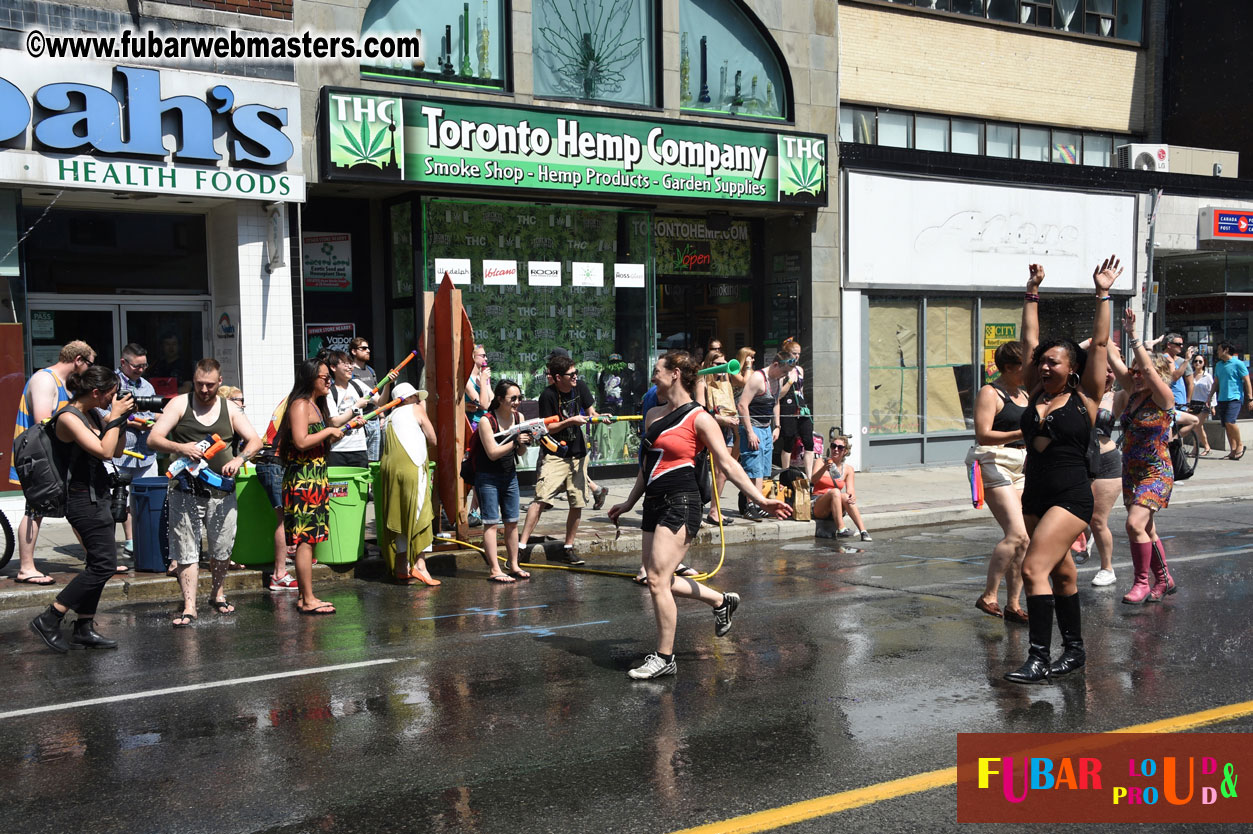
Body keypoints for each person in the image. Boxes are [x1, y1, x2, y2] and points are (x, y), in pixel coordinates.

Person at [609, 351, 791, 680]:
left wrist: (760, 499)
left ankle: (664, 658)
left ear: (675, 374)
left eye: (657, 371)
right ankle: (721, 601)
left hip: (682, 501)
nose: (653, 377)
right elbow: (645, 468)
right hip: (653, 501)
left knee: (656, 581)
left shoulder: (700, 418)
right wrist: (628, 503)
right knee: (656, 579)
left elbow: (727, 464)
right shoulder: (651, 415)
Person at [1003, 257, 1118, 685]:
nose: (1046, 366)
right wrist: (1031, 290)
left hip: (1071, 495)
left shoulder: (1086, 396)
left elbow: (1102, 344)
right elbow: (1028, 338)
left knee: (1033, 570)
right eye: (1043, 362)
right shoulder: (1034, 391)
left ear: (1073, 368)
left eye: (1056, 362)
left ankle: (1037, 656)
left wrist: (1102, 294)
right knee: (1061, 572)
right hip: (1035, 494)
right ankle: (1074, 651)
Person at [148, 359, 262, 626]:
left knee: (222, 548)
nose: (204, 390)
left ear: (219, 382)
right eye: (200, 384)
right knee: (186, 549)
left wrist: (239, 459)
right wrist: (181, 448)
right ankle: (189, 606)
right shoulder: (179, 404)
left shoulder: (230, 408)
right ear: (194, 380)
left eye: (210, 385)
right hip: (184, 490)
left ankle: (217, 593)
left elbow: (255, 440)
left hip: (221, 492)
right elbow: (154, 438)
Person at [27, 365, 129, 652]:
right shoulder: (68, 417)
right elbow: (104, 451)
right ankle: (50, 617)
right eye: (111, 394)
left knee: (97, 562)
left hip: (100, 495)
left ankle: (84, 626)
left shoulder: (94, 413)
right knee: (104, 564)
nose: (113, 398)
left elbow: (117, 450)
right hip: (81, 499)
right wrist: (116, 417)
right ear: (96, 392)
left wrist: (118, 422)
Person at [9, 340, 95, 586]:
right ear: (78, 360)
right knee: (35, 509)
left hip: (55, 456)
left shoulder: (65, 385)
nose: (89, 370)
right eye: (89, 364)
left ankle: (96, 558)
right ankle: (26, 568)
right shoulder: (45, 380)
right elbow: (43, 420)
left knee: (75, 506)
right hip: (37, 455)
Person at [274, 359, 354, 612]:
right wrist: (328, 432)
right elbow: (300, 441)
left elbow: (318, 438)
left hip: (316, 477)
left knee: (312, 538)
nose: (328, 381)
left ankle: (305, 596)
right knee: (305, 540)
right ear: (310, 379)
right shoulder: (299, 405)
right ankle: (307, 599)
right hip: (303, 479)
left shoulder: (315, 405)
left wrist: (338, 430)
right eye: (324, 378)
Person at [1114, 309, 1179, 605]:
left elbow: (1150, 371)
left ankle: (1141, 582)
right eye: (1134, 371)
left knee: (1134, 525)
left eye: (1140, 371)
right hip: (1132, 471)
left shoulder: (1163, 398)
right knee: (1147, 528)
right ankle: (1164, 579)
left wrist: (1134, 337)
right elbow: (1115, 365)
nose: (1135, 374)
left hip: (1156, 471)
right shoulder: (1133, 394)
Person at [966, 341, 1029, 621]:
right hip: (993, 461)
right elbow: (983, 434)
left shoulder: (1025, 393)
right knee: (1016, 534)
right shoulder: (990, 392)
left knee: (1025, 540)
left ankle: (1013, 605)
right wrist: (1020, 431)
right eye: (1024, 363)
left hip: (1021, 463)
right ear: (1009, 367)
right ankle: (988, 595)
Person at [518, 354, 592, 564]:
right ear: (558, 377)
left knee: (577, 502)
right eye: (571, 374)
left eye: (576, 372)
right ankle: (522, 547)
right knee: (540, 498)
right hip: (556, 454)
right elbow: (547, 427)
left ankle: (568, 547)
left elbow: (591, 411)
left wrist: (599, 418)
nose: (575, 377)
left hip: (578, 454)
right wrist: (570, 422)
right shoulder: (548, 395)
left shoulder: (581, 387)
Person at [378, 383, 439, 585]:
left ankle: (401, 566)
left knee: (400, 514)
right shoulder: (416, 409)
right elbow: (433, 438)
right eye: (415, 396)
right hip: (411, 467)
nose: (419, 399)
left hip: (389, 470)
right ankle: (420, 565)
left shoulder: (388, 417)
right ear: (409, 398)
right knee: (420, 512)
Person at [473, 380, 533, 583]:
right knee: (490, 523)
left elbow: (522, 452)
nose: (517, 402)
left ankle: (514, 564)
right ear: (499, 399)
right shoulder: (486, 421)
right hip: (487, 476)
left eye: (519, 398)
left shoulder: (519, 417)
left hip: (510, 475)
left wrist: (525, 442)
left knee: (512, 522)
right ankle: (495, 569)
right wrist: (515, 441)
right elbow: (492, 453)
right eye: (512, 398)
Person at [104, 343, 159, 563]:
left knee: (148, 498)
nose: (140, 370)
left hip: (145, 453)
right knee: (122, 500)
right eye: (136, 366)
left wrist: (155, 422)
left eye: (144, 365)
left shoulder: (147, 386)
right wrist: (132, 423)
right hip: (120, 452)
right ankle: (130, 540)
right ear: (123, 363)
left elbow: (156, 413)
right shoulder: (110, 384)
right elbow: (103, 413)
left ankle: (146, 538)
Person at [736, 349, 791, 520]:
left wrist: (777, 426)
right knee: (753, 469)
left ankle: (758, 502)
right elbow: (742, 405)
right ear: (775, 364)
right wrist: (750, 433)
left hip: (767, 428)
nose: (784, 375)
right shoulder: (758, 378)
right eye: (783, 371)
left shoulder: (778, 379)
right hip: (752, 426)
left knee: (763, 470)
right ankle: (750, 505)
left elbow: (775, 402)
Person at [1087, 348, 1123, 588]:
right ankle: (1084, 538)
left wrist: (1114, 350)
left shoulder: (1118, 397)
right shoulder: (1080, 392)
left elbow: (1130, 379)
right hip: (1078, 460)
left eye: (1112, 371)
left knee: (1098, 519)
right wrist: (1090, 342)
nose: (1108, 375)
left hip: (1107, 461)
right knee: (1072, 513)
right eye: (1104, 370)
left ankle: (1107, 568)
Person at [257, 396, 298, 591]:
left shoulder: (293, 399)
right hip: (274, 462)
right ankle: (279, 574)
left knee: (288, 516)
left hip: (273, 462)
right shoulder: (299, 401)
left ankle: (294, 551)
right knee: (283, 518)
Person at [700, 349, 738, 526]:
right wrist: (722, 419)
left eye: (724, 364)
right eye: (718, 364)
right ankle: (704, 509)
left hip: (727, 429)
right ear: (709, 365)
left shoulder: (726, 383)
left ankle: (715, 509)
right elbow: (700, 411)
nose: (723, 368)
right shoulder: (702, 383)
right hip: (710, 429)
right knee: (707, 471)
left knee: (722, 471)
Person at [809, 434, 871, 541]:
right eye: (833, 446)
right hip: (818, 504)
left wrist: (852, 497)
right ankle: (841, 529)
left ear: (845, 451)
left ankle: (863, 531)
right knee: (835, 492)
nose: (836, 450)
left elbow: (851, 491)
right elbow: (813, 480)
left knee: (846, 497)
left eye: (840, 448)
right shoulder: (820, 462)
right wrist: (824, 468)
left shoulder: (848, 469)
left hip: (836, 505)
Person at [325, 349, 377, 469]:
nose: (350, 367)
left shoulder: (357, 384)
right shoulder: (330, 392)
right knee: (339, 486)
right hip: (337, 449)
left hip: (359, 448)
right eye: (345, 364)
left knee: (360, 486)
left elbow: (380, 401)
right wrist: (356, 407)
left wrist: (388, 383)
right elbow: (335, 422)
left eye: (350, 364)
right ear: (333, 368)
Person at [777, 338, 815, 477]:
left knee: (809, 441)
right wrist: (790, 381)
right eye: (794, 353)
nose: (797, 356)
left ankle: (809, 476)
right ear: (787, 353)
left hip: (801, 406)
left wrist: (804, 404)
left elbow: (802, 389)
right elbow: (778, 394)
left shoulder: (799, 369)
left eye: (798, 353)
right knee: (789, 440)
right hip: (787, 406)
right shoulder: (782, 370)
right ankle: (785, 474)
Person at [1213, 341, 1252, 460]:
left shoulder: (1238, 363)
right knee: (1226, 425)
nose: (1217, 352)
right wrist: (1209, 397)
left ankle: (1240, 445)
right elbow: (1216, 383)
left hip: (1235, 397)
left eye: (1219, 349)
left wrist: (1250, 398)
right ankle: (1233, 450)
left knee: (1230, 422)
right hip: (1222, 398)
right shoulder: (1219, 365)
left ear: (1226, 350)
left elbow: (1247, 381)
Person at [349, 337, 383, 463]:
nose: (367, 351)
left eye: (368, 348)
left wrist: (382, 416)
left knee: (374, 460)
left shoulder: (370, 371)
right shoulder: (350, 371)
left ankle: (371, 484)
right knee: (362, 459)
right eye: (363, 348)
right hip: (360, 421)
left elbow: (377, 394)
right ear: (353, 351)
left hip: (374, 419)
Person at [1187, 353, 1215, 456]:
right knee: (1197, 426)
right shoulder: (1191, 375)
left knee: (1197, 425)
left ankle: (1200, 448)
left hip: (1204, 403)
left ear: (1204, 364)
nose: (1197, 363)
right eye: (1195, 361)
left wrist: (1213, 406)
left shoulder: (1207, 376)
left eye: (1200, 361)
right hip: (1193, 403)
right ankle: (1203, 447)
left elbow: (1212, 391)